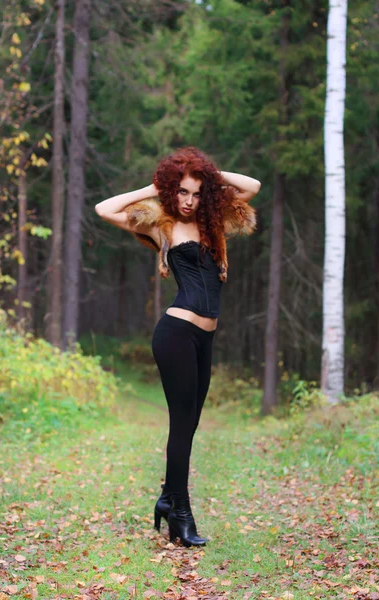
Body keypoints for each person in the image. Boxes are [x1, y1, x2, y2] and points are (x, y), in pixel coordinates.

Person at [95, 146, 261, 547]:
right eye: (182, 192)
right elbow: (105, 208)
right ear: (171, 192)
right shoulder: (161, 226)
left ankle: (169, 498)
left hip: (205, 337)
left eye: (196, 193)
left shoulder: (214, 223)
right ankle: (180, 515)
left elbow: (252, 186)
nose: (188, 201)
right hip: (175, 333)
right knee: (181, 424)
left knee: (190, 423)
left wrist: (207, 175)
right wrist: (155, 186)